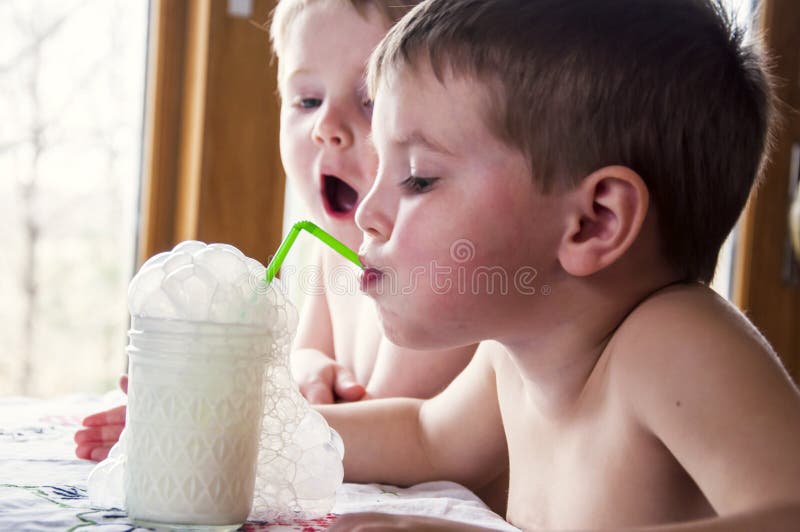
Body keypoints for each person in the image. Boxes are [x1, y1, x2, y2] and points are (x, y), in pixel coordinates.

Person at [318, 0, 800, 530]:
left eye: (418, 178)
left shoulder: (672, 344)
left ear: (595, 221)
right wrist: (246, 429)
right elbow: (424, 438)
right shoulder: (512, 359)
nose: (367, 214)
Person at [74, 0, 476, 464]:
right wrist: (307, 370)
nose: (326, 127)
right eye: (307, 100)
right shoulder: (328, 249)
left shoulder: (435, 263)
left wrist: (212, 423)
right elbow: (305, 353)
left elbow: (392, 425)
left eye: (369, 100)